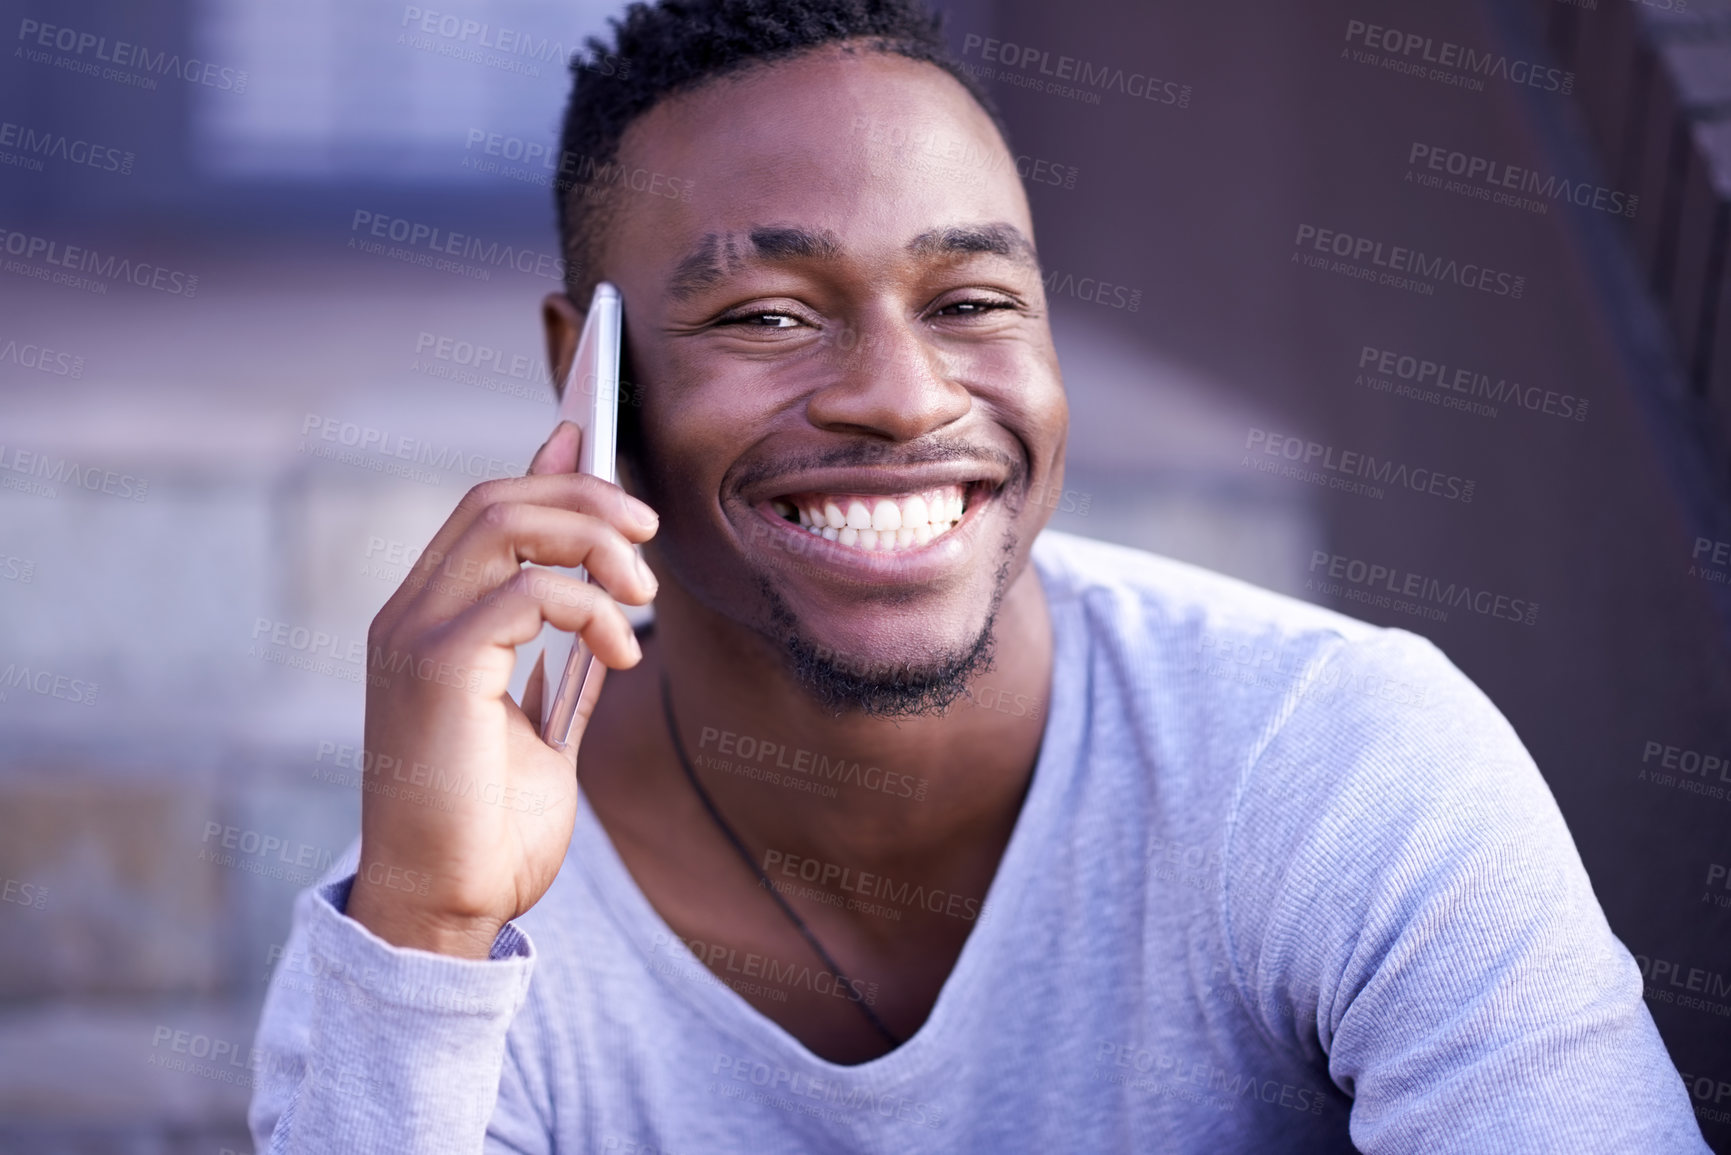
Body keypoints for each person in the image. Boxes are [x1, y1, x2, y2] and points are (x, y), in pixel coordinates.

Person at [248, 0, 1711, 1150]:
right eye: (766, 314)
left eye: (970, 300)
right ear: (591, 376)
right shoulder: (429, 937)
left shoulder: (1339, 763)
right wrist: (431, 943)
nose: (901, 394)